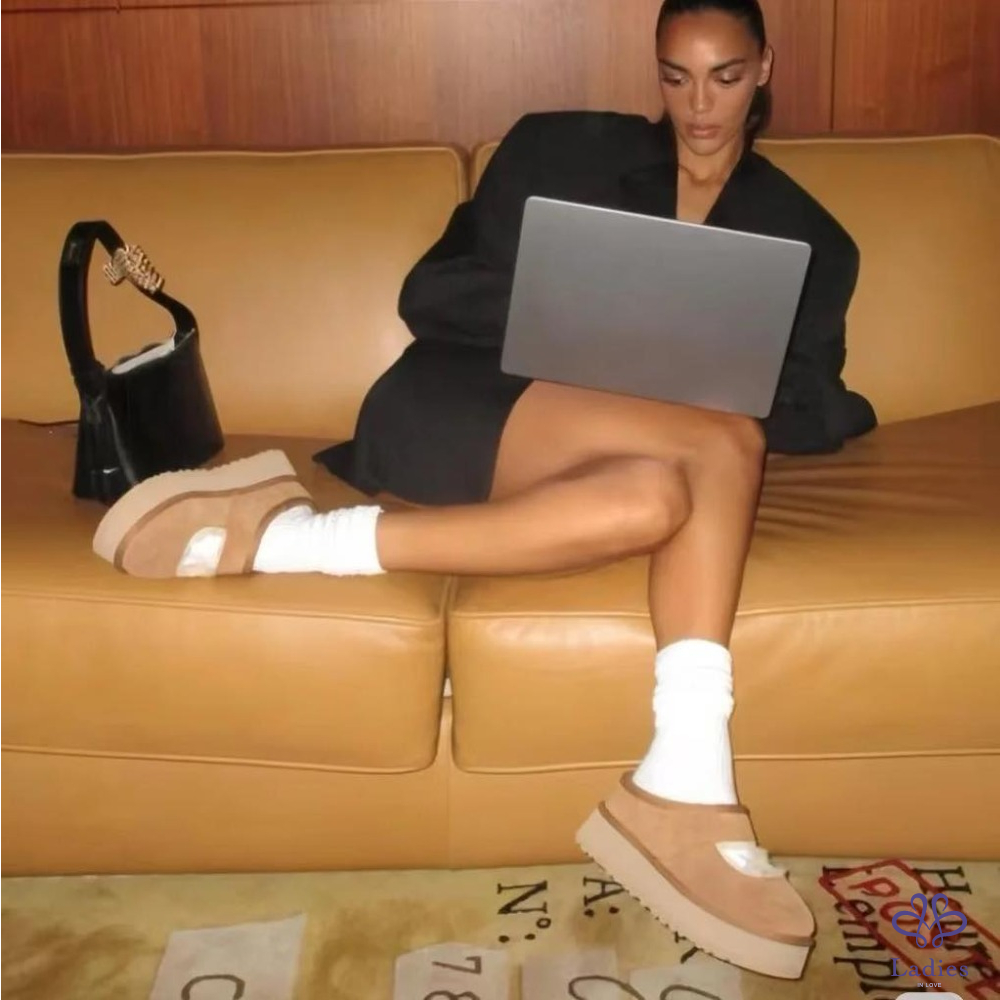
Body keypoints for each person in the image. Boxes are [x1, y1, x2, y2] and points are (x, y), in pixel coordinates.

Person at [92, 0, 877, 980]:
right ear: (655, 72)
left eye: (724, 76)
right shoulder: (561, 151)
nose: (699, 105)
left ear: (763, 68)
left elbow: (822, 404)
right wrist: (591, 319)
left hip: (646, 458)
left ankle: (290, 537)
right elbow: (432, 294)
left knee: (660, 496)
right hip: (471, 406)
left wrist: (707, 373)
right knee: (722, 443)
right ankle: (685, 781)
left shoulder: (809, 237)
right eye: (676, 77)